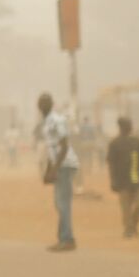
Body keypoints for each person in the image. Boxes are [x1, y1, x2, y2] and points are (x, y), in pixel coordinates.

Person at [37, 92, 77, 251]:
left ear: (51, 104)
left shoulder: (56, 120)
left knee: (62, 203)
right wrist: (48, 170)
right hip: (58, 165)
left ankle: (67, 240)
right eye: (40, 103)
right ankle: (63, 238)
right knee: (59, 203)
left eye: (46, 102)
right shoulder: (47, 122)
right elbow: (51, 148)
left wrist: (55, 168)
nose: (42, 105)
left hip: (64, 165)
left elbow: (64, 145)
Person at [106, 116, 139, 239]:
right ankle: (128, 230)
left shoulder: (136, 141)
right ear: (121, 127)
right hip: (122, 180)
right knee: (126, 208)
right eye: (127, 125)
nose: (130, 127)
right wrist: (112, 180)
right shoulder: (114, 143)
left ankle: (133, 224)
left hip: (137, 178)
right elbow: (111, 163)